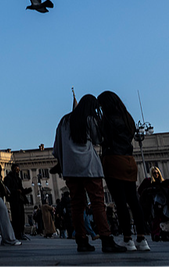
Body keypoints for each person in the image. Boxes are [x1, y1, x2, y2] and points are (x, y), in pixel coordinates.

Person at [53, 94, 126, 253]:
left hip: (71, 170)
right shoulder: (89, 120)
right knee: (98, 203)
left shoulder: (63, 122)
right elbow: (98, 139)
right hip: (89, 167)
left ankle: (81, 241)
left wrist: (63, 163)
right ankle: (106, 240)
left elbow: (57, 148)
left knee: (77, 206)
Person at [98, 91, 150, 251]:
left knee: (120, 203)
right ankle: (142, 239)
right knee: (134, 201)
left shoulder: (107, 120)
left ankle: (128, 239)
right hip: (129, 161)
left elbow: (103, 138)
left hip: (114, 160)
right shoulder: (128, 118)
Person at [138, 166, 168, 241]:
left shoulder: (162, 182)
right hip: (151, 203)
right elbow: (140, 191)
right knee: (155, 218)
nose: (156, 174)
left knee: (163, 217)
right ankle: (155, 233)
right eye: (154, 173)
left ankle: (163, 232)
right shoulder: (148, 181)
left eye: (157, 173)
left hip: (162, 202)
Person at [3, 164, 31, 241]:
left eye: (18, 170)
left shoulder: (18, 179)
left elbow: (21, 189)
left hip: (19, 200)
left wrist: (27, 190)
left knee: (21, 216)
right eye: (16, 169)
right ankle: (17, 233)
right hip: (14, 200)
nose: (17, 171)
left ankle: (21, 232)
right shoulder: (8, 178)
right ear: (13, 169)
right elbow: (7, 189)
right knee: (16, 216)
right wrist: (16, 191)